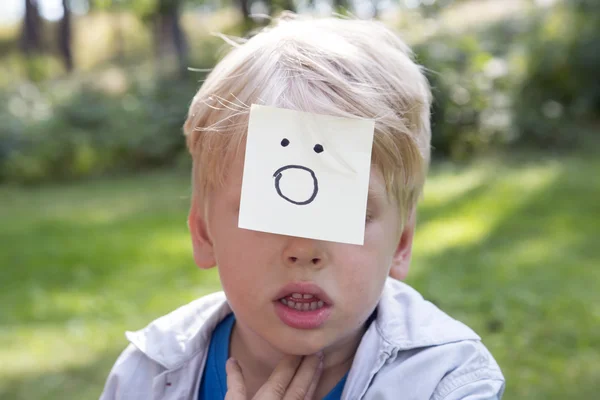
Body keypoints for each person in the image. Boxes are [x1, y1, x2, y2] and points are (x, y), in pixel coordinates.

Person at [100, 14, 505, 400]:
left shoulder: (447, 383)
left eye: (348, 213)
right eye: (268, 207)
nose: (305, 248)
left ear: (401, 242)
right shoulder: (146, 375)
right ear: (204, 232)